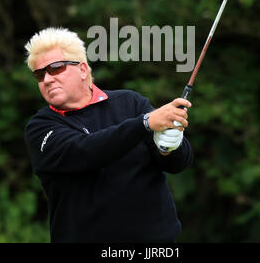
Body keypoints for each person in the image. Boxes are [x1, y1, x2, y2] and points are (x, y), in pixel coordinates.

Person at [24, 27, 193, 243]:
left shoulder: (130, 103)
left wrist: (171, 148)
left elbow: (177, 165)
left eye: (55, 68)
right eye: (40, 74)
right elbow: (86, 151)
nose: (47, 79)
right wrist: (145, 124)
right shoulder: (41, 127)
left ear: (83, 70)